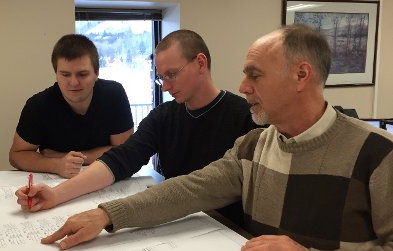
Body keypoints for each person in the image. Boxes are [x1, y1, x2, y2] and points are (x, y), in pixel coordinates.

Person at [21, 24, 393, 251]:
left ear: (301, 75)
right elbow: (189, 189)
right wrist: (106, 214)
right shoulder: (254, 145)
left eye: (254, 75)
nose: (244, 86)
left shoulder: (378, 153)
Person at [16, 29, 258, 223]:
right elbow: (121, 158)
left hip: (227, 229)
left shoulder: (247, 118)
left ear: (200, 63)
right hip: (177, 221)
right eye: (161, 77)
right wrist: (57, 194)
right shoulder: (163, 116)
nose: (164, 86)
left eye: (172, 74)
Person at [9, 34, 134, 178]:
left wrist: (68, 158)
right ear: (56, 73)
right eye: (65, 74)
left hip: (106, 179)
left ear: (96, 73)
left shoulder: (114, 95)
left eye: (82, 74)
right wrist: (57, 165)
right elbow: (16, 155)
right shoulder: (38, 105)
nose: (74, 82)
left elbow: (125, 151)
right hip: (56, 183)